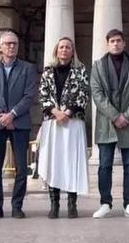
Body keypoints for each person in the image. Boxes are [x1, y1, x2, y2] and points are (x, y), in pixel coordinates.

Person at [0, 31, 38, 219]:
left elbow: (30, 96)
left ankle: (17, 206)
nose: (11, 46)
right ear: (1, 47)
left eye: (14, 43)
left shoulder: (28, 68)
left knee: (21, 167)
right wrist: (0, 115)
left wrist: (12, 115)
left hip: (19, 123)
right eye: (7, 43)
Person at [89, 29, 129, 219]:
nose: (116, 44)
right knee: (104, 165)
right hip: (106, 122)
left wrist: (126, 116)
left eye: (119, 40)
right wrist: (115, 116)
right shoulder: (98, 66)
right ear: (107, 43)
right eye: (112, 41)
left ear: (124, 43)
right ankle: (105, 202)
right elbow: (97, 94)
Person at [37, 37, 90, 219]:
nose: (64, 50)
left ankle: (72, 204)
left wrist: (66, 113)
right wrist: (56, 112)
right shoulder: (47, 71)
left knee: (71, 162)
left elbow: (83, 95)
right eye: (61, 47)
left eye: (68, 47)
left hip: (72, 122)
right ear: (56, 50)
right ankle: (54, 204)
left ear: (72, 51)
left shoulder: (80, 70)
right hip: (52, 122)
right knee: (54, 162)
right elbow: (42, 95)